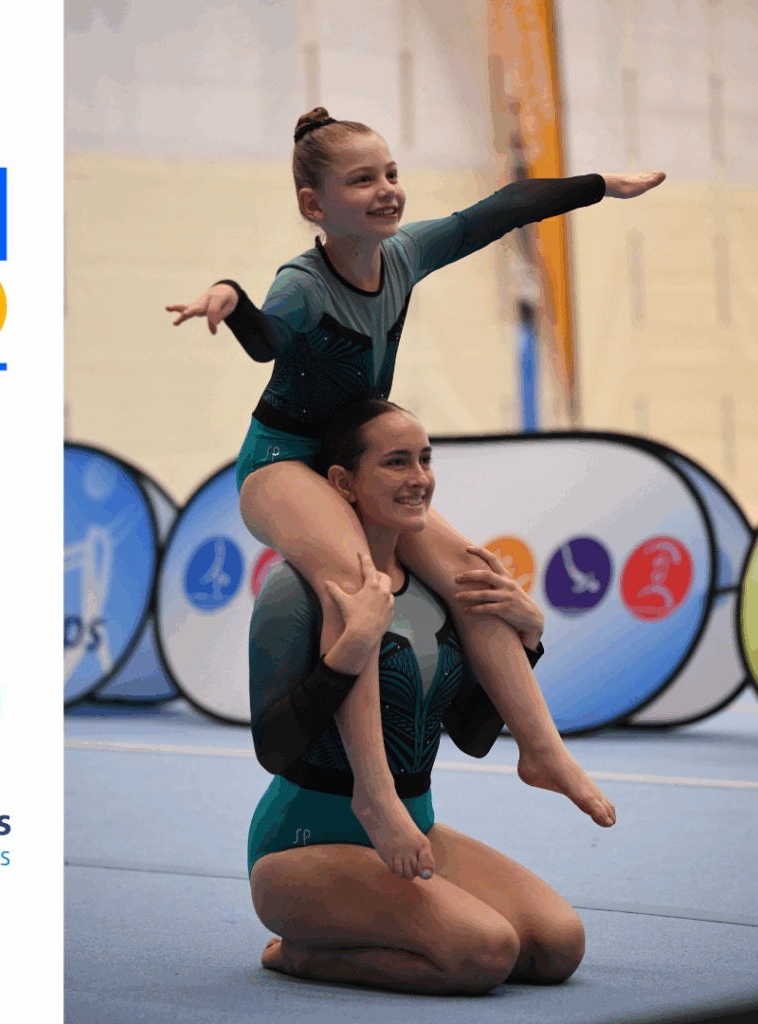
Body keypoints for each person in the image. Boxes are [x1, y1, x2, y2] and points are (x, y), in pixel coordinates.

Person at [167, 107, 658, 882]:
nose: (387, 190)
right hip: (284, 463)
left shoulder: (405, 254)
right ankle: (373, 791)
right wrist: (229, 296)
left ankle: (540, 749)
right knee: (357, 584)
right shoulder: (301, 285)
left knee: (474, 573)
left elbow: (499, 211)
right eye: (362, 179)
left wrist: (602, 185)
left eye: (391, 173)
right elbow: (266, 338)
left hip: (353, 459)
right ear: (314, 204)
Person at [246, 399, 612, 995]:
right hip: (303, 848)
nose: (419, 478)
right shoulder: (295, 591)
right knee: (482, 953)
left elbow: (469, 735)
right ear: (344, 483)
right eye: (395, 463)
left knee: (556, 946)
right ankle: (300, 953)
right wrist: (349, 652)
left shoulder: (435, 596)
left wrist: (530, 638)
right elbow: (275, 747)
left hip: (415, 831)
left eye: (424, 459)